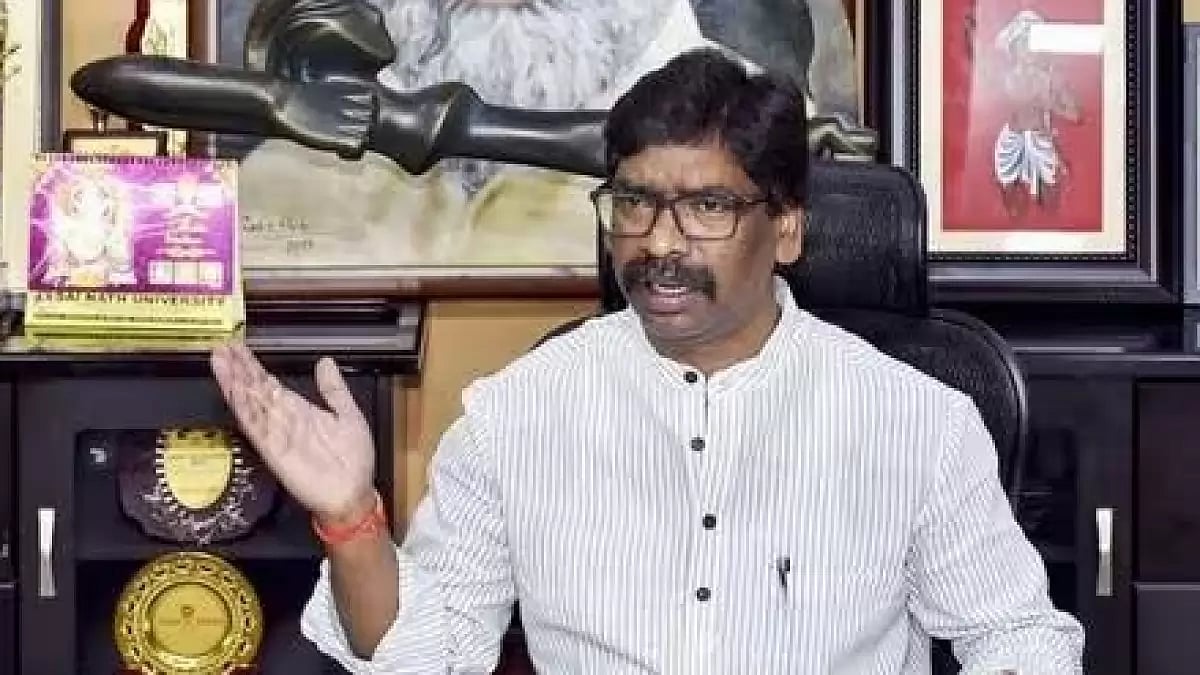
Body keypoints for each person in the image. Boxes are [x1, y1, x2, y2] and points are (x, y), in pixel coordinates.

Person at [209, 49, 1085, 673]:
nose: (660, 243)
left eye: (706, 207)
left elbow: (1019, 637)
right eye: (634, 203)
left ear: (785, 227)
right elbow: (427, 658)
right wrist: (353, 520)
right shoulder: (518, 413)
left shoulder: (916, 421)